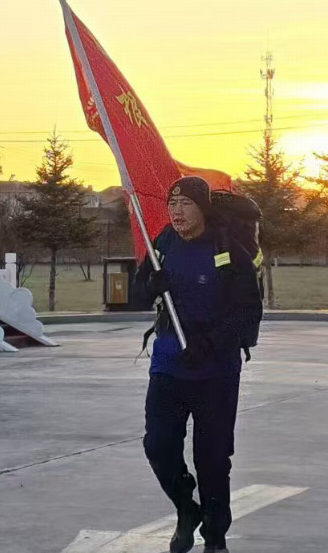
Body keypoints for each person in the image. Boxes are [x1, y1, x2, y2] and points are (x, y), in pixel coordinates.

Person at [133, 176, 256, 553]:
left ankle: (215, 536)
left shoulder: (227, 250)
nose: (176, 210)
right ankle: (187, 508)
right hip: (169, 365)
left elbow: (248, 310)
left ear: (202, 208)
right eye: (172, 203)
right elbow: (138, 294)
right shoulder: (163, 245)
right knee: (159, 446)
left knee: (214, 458)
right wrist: (150, 284)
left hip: (215, 372)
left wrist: (212, 342)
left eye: (185, 203)